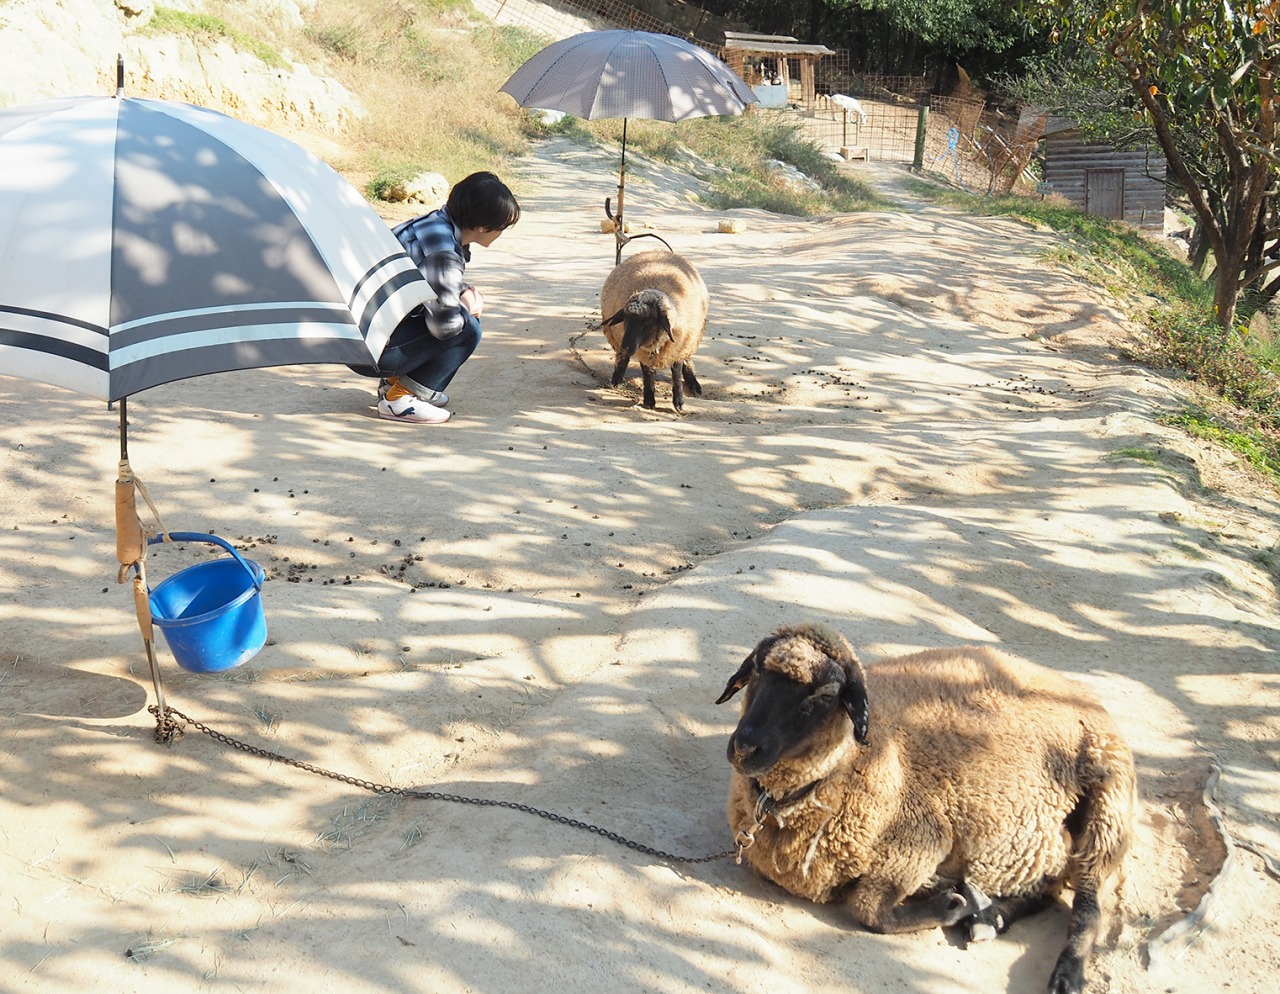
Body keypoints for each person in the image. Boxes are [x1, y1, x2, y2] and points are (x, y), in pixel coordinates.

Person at [357, 171, 521, 424]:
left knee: (453, 315)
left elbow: (427, 278)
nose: (501, 232)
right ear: (482, 227)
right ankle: (400, 398)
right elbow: (445, 327)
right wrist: (467, 306)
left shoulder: (432, 223)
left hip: (359, 338)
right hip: (372, 351)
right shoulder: (444, 251)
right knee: (468, 329)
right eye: (501, 227)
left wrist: (462, 291)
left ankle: (394, 383)